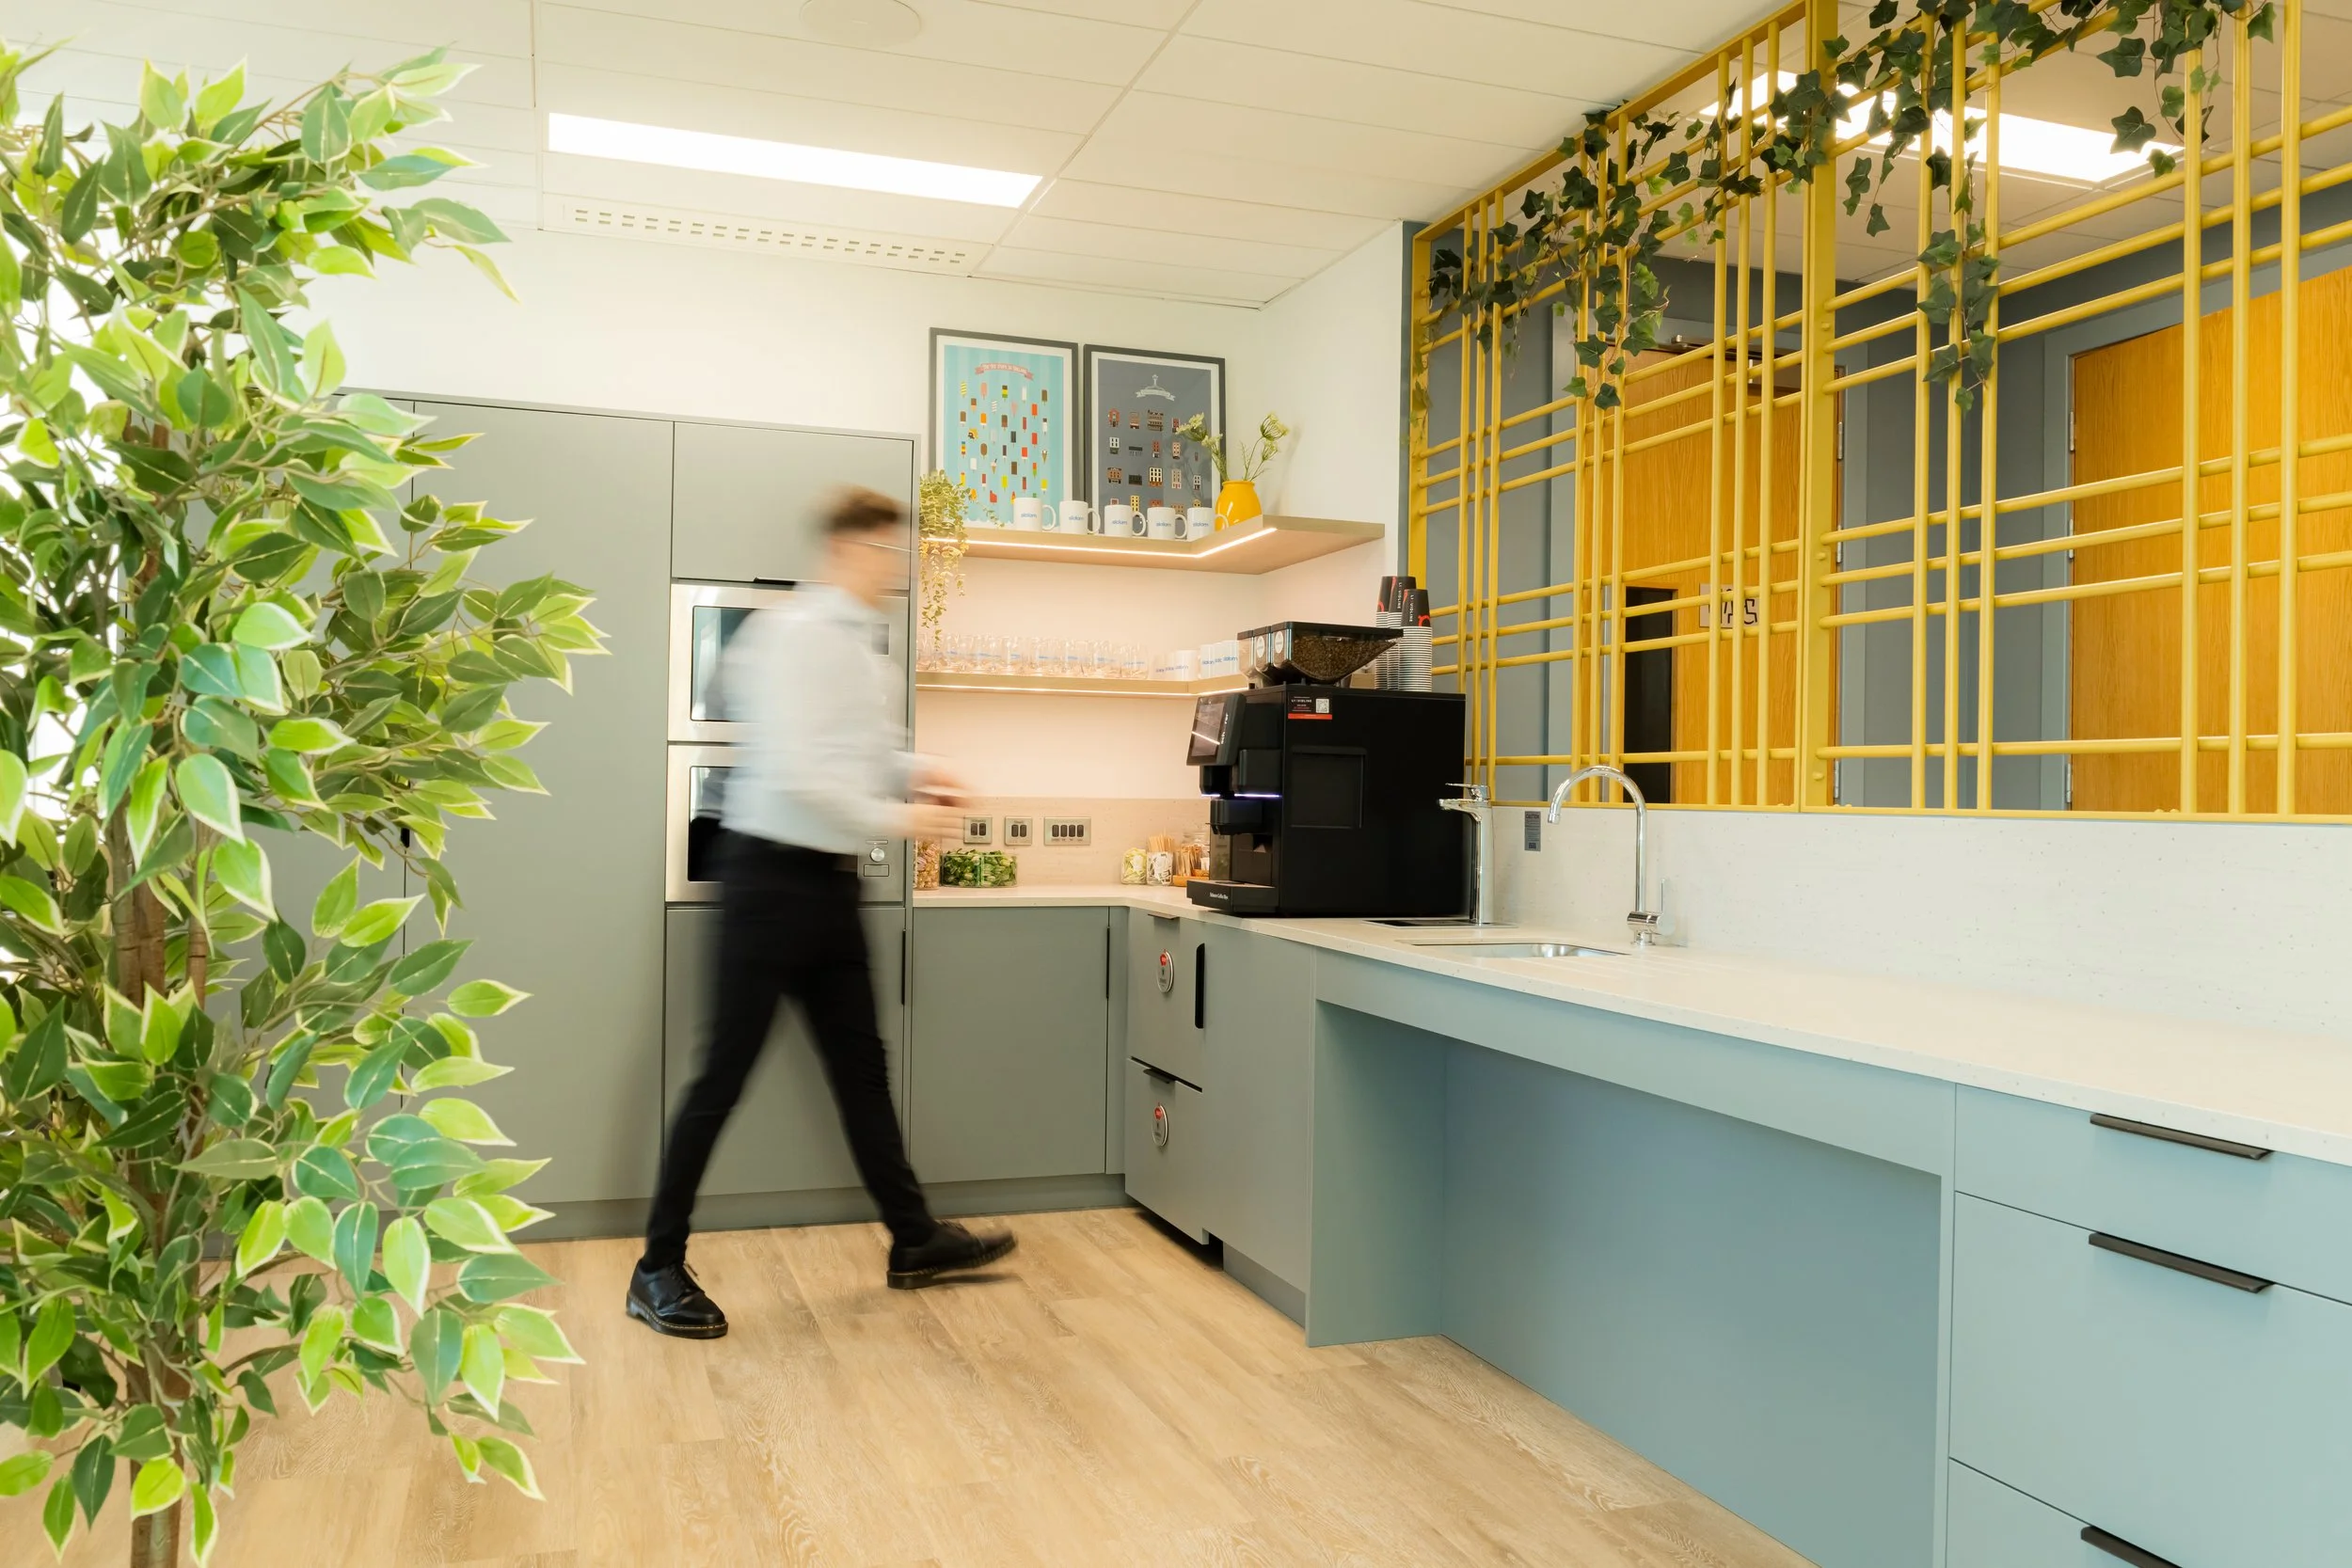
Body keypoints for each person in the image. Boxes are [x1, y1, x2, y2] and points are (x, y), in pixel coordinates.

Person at [629, 486, 1014, 1338]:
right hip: (766, 883)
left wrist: (923, 771)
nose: (897, 571)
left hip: (830, 888)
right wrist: (900, 819)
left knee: (861, 1071)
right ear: (846, 550)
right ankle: (656, 1265)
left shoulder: (863, 652)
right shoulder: (794, 638)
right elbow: (803, 771)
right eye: (886, 554)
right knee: (721, 1077)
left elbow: (865, 755)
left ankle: (913, 1239)